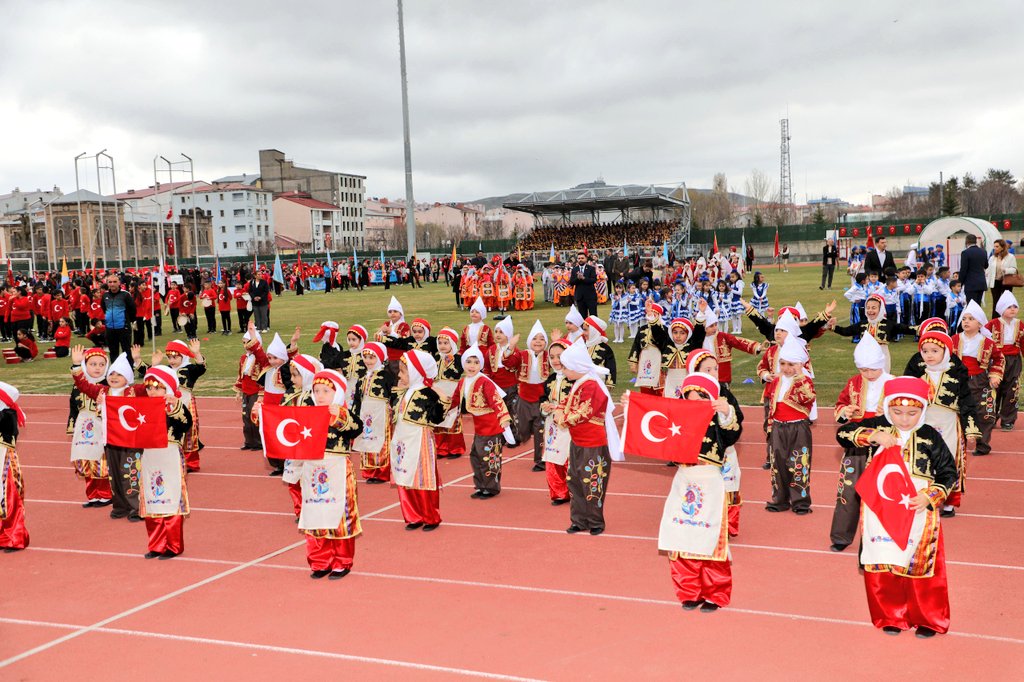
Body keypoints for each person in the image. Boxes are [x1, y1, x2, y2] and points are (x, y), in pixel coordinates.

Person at [836, 376, 957, 638]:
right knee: (884, 560)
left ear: (922, 410)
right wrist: (872, 435)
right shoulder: (878, 426)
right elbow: (842, 434)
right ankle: (891, 615)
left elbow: (949, 473)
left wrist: (930, 496)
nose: (904, 419)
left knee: (919, 562)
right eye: (897, 412)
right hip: (881, 507)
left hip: (918, 508)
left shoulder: (930, 435)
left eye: (912, 413)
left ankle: (927, 619)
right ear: (888, 407)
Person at [659, 372, 740, 611]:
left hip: (710, 483)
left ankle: (715, 594)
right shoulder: (678, 420)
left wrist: (727, 412)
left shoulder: (718, 420)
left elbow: (732, 433)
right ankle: (689, 592)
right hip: (683, 481)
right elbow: (653, 430)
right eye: (689, 397)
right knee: (681, 535)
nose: (694, 402)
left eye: (701, 397)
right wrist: (632, 408)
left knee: (710, 537)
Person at [903, 330, 980, 517]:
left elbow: (967, 401)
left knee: (949, 459)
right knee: (923, 458)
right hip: (923, 423)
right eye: (925, 351)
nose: (929, 355)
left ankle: (948, 502)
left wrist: (971, 429)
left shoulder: (957, 374)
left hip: (948, 424)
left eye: (935, 351)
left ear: (946, 352)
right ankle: (922, 497)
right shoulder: (917, 374)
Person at [829, 334, 892, 552]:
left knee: (882, 492)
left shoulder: (893, 383)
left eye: (873, 369)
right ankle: (841, 536)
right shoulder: (853, 383)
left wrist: (889, 414)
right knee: (848, 490)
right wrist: (845, 412)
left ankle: (881, 539)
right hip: (856, 444)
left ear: (881, 364)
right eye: (863, 370)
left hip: (883, 446)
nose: (868, 374)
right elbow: (840, 405)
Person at [555, 340, 622, 535]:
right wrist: (559, 410)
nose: (563, 371)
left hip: (593, 444)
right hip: (578, 442)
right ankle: (579, 520)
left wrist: (562, 419)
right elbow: (566, 402)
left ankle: (595, 521)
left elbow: (583, 412)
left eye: (566, 367)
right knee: (574, 481)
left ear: (576, 367)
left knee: (592, 482)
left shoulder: (591, 386)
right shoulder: (579, 384)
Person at [301, 369, 363, 580]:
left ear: (337, 393)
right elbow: (284, 426)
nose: (320, 395)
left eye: (326, 391)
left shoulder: (343, 413)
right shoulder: (307, 413)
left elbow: (356, 428)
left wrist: (339, 415)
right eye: (316, 390)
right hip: (312, 470)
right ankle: (320, 561)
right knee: (315, 514)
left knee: (339, 515)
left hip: (337, 470)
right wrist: (261, 413)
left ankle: (341, 561)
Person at [139, 365, 193, 559]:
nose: (152, 391)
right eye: (149, 387)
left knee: (170, 498)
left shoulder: (175, 406)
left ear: (167, 388)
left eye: (157, 387)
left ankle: (173, 545)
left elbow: (186, 423)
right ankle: (156, 545)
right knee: (152, 499)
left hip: (169, 456)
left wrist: (175, 406)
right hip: (150, 456)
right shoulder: (143, 407)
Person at [391, 350, 448, 530]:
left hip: (420, 440)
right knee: (405, 476)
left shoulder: (428, 394)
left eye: (403, 372)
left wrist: (443, 400)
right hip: (403, 440)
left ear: (416, 372)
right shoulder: (403, 392)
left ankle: (430, 516)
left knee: (422, 478)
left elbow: (437, 418)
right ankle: (413, 515)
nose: (399, 376)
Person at [449, 345, 514, 499]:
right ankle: (481, 485)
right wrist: (442, 409)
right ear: (463, 363)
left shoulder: (485, 382)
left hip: (492, 427)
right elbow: (455, 399)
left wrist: (504, 417)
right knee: (476, 457)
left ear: (481, 365)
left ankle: (491, 488)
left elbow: (496, 400)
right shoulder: (463, 382)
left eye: (476, 362)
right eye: (469, 362)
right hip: (479, 427)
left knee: (489, 457)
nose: (472, 366)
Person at [764, 335, 816, 514]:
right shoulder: (777, 381)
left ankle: (800, 502)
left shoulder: (804, 381)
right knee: (777, 464)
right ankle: (780, 499)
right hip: (778, 427)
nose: (786, 368)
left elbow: (807, 397)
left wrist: (800, 376)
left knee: (799, 464)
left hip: (798, 428)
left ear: (800, 365)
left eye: (791, 364)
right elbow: (772, 405)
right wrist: (770, 427)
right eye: (783, 363)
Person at [952, 301, 1003, 455]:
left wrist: (994, 375)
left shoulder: (987, 342)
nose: (966, 322)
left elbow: (999, 359)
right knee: (958, 411)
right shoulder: (954, 339)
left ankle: (982, 444)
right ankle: (959, 443)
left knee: (984, 413)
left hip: (980, 381)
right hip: (959, 380)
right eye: (964, 319)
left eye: (971, 319)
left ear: (980, 323)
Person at [352, 342, 395, 484]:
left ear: (380, 358)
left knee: (381, 442)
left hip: (381, 413)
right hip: (366, 414)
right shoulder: (362, 378)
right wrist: (355, 414)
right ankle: (370, 471)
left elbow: (394, 395)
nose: (367, 361)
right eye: (365, 357)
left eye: (372, 357)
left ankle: (382, 472)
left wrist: (394, 410)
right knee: (367, 441)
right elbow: (357, 398)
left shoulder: (387, 376)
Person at [987, 291, 1024, 430]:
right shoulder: (992, 324)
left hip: (1014, 360)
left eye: (1015, 306)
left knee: (1012, 389)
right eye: (1009, 307)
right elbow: (984, 341)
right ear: (1002, 308)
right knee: (994, 388)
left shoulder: (1020, 324)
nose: (1013, 309)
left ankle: (1008, 419)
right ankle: (990, 417)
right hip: (997, 359)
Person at [0, 381, 28, 551]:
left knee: (9, 497)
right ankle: (3, 535)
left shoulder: (7, 416)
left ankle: (15, 537)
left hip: (4, 462)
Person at [101, 274, 135, 362]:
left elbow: (132, 309)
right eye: (110, 282)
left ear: (119, 283)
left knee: (127, 352)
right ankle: (114, 369)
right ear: (107, 283)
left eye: (115, 282)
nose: (112, 284)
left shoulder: (125, 295)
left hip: (123, 328)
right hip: (110, 329)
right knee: (113, 352)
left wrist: (127, 321)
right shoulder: (105, 295)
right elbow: (104, 308)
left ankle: (129, 369)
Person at [988, 238, 1018, 318]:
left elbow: (1014, 270)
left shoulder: (1010, 257)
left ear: (1002, 247)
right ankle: (995, 320)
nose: (995, 248)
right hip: (995, 282)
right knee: (996, 302)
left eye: (997, 246)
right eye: (994, 246)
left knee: (1006, 302)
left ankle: (1007, 319)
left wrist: (1005, 270)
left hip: (1006, 282)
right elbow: (989, 270)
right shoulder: (992, 258)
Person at [958, 234, 989, 306]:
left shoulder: (965, 253)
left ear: (966, 241)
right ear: (976, 241)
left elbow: (963, 269)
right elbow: (986, 265)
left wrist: (960, 283)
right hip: (981, 282)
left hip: (971, 283)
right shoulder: (983, 251)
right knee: (978, 305)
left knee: (971, 305)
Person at [568, 252, 598, 318]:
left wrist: (584, 278)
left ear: (586, 259)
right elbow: (571, 282)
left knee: (593, 316)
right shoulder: (574, 269)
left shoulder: (591, 268)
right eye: (579, 258)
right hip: (580, 297)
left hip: (590, 296)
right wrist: (578, 278)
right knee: (582, 317)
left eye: (582, 258)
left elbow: (594, 280)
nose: (580, 260)